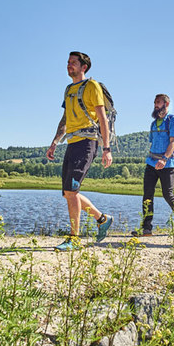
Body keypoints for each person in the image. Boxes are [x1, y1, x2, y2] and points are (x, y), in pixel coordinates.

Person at [46, 51, 113, 251]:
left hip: (87, 142)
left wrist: (106, 149)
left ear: (84, 67)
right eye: (68, 62)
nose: (69, 66)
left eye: (73, 63)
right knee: (68, 193)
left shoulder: (92, 86)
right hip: (72, 143)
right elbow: (65, 119)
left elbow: (103, 118)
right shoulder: (68, 89)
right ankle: (102, 219)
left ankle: (74, 239)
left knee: (72, 189)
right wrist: (54, 142)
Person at [132, 94, 174, 237]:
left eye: (158, 102)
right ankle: (146, 229)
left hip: (167, 164)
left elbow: (173, 141)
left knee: (167, 194)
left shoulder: (173, 120)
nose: (155, 105)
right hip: (151, 163)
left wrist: (164, 159)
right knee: (147, 195)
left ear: (166, 104)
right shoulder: (153, 123)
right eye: (155, 102)